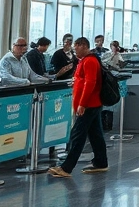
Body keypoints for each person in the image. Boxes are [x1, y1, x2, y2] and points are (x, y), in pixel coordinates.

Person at [48, 37, 108, 177]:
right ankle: (101, 162)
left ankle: (66, 168)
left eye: (76, 47)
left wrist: (82, 103)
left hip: (89, 105)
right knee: (95, 135)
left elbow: (90, 83)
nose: (74, 50)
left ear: (83, 46)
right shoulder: (84, 61)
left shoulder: (90, 61)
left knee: (78, 135)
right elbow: (83, 80)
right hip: (92, 104)